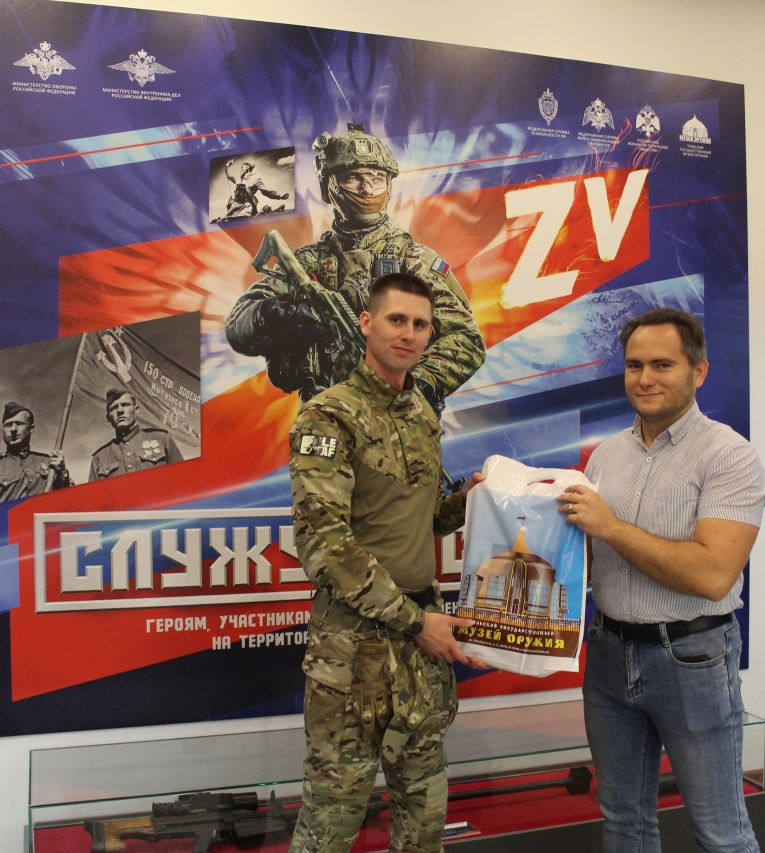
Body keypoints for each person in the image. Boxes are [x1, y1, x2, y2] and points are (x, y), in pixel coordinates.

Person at [557, 308, 765, 853]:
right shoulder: (607, 455)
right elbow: (582, 549)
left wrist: (611, 527)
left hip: (691, 659)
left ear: (698, 371)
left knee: (721, 832)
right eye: (634, 366)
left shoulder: (729, 456)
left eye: (662, 365)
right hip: (609, 655)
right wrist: (507, 501)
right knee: (624, 823)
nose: (644, 378)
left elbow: (713, 574)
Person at [287, 272, 486, 853]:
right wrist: (417, 622)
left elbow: (415, 521)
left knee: (424, 818)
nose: (409, 333)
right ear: (366, 322)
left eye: (421, 324)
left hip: (421, 647)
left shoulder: (420, 412)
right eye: (397, 319)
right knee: (331, 820)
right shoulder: (329, 416)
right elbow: (328, 548)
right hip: (355, 649)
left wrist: (468, 504)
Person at [224, 124, 485, 411]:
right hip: (324, 418)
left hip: (399, 421)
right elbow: (237, 324)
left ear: (389, 186)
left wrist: (414, 386)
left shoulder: (414, 261)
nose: (367, 188)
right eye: (352, 178)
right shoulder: (308, 262)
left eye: (377, 178)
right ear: (329, 186)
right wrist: (280, 313)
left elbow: (467, 340)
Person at [0, 402, 70, 508]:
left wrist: (63, 474)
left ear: (31, 428)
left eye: (19, 423)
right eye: (8, 425)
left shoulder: (49, 463)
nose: (13, 429)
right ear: (3, 430)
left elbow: (67, 503)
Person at [88, 389, 184, 481]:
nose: (120, 410)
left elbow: (183, 479)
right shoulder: (99, 458)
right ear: (108, 418)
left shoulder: (162, 439)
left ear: (136, 410)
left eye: (125, 405)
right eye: (114, 408)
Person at [212, 158, 289, 222]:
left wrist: (280, 196)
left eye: (242, 167)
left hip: (246, 208)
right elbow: (229, 174)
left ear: (247, 168)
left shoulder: (255, 179)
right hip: (234, 208)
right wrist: (227, 165)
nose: (240, 170)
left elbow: (266, 192)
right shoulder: (238, 179)